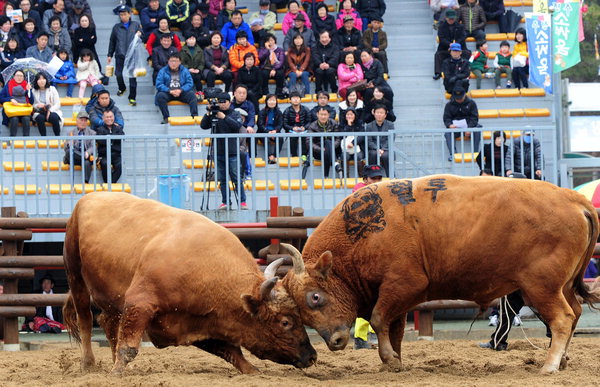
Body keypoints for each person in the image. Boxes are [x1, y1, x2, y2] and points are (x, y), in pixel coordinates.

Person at [199, 92, 248, 210]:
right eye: (219, 102)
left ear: (229, 102)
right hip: (218, 151)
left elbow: (237, 126)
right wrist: (208, 113)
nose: (222, 104)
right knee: (223, 179)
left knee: (236, 178)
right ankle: (226, 202)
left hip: (233, 151)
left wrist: (224, 117)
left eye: (224, 102)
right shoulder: (214, 114)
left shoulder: (235, 113)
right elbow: (203, 125)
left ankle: (242, 202)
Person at [107, 4, 142, 106]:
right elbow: (112, 41)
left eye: (125, 14)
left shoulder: (135, 25)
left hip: (132, 55)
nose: (123, 16)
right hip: (120, 54)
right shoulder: (116, 27)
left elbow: (143, 36)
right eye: (121, 15)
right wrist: (110, 54)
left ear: (130, 14)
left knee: (132, 77)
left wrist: (141, 34)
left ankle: (132, 97)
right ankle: (122, 88)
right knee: (118, 74)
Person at [155, 53, 198, 124]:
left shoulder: (185, 70)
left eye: (176, 61)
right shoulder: (162, 71)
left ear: (180, 62)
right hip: (168, 93)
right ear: (168, 62)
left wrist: (181, 90)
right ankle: (166, 117)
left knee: (192, 95)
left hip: (181, 92)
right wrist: (169, 91)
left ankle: (195, 116)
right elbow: (159, 84)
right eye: (171, 61)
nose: (173, 63)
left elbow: (190, 83)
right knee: (160, 96)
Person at [443, 86, 480, 161]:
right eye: (457, 98)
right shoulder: (449, 105)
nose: (459, 100)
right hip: (455, 128)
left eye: (460, 98)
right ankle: (453, 154)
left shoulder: (471, 103)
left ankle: (475, 153)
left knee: (477, 131)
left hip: (469, 126)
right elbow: (446, 118)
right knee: (447, 133)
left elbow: (474, 118)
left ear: (464, 95)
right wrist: (450, 125)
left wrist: (469, 128)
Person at [307, 106, 341, 178]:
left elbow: (338, 139)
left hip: (333, 150)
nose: (323, 117)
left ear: (328, 115)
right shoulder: (312, 126)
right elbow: (309, 142)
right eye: (321, 114)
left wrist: (330, 147)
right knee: (327, 144)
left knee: (328, 142)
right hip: (318, 152)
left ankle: (326, 175)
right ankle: (335, 163)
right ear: (317, 115)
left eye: (325, 115)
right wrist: (320, 149)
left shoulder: (334, 123)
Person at [433, 9, 467, 80]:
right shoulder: (441, 26)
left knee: (467, 53)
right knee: (438, 55)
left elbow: (463, 36)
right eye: (450, 19)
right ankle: (438, 72)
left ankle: (465, 71)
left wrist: (456, 44)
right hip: (446, 48)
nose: (451, 20)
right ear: (446, 18)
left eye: (452, 19)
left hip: (459, 47)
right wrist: (449, 44)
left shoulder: (460, 26)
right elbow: (441, 38)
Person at [63, 109, 95, 183]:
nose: (83, 122)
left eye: (85, 121)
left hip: (86, 157)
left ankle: (86, 182)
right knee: (69, 151)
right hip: (74, 157)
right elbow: (65, 147)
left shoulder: (92, 133)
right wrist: (70, 143)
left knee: (87, 163)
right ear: (77, 121)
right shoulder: (71, 132)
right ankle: (83, 156)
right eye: (81, 120)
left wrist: (87, 152)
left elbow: (93, 146)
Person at [0, 70, 34, 136]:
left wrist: (29, 91)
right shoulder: (8, 85)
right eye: (17, 75)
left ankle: (26, 140)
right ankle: (12, 139)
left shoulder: (27, 86)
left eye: (21, 76)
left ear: (24, 77)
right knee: (14, 119)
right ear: (14, 77)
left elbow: (31, 102)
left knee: (26, 119)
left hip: (24, 110)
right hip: (12, 111)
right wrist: (10, 99)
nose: (19, 77)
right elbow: (1, 97)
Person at [95, 110, 124, 184]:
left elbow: (122, 137)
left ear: (114, 117)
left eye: (111, 117)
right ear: (103, 118)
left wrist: (108, 139)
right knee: (105, 164)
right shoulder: (99, 129)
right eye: (107, 117)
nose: (109, 119)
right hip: (104, 155)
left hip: (116, 155)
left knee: (120, 164)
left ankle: (110, 184)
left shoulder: (118, 128)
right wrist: (113, 140)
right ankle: (109, 183)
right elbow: (100, 141)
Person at [31, 72, 62, 136]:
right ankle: (44, 138)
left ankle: (58, 137)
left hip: (52, 110)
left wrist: (50, 110)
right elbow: (32, 104)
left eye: (43, 79)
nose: (41, 81)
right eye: (39, 79)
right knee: (39, 118)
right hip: (40, 111)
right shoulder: (33, 90)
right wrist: (37, 105)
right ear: (36, 81)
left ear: (46, 80)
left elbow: (57, 104)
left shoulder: (52, 89)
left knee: (54, 117)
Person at [364, 104, 392, 175]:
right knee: (373, 154)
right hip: (374, 149)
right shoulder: (369, 126)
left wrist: (383, 149)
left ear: (385, 115)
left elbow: (390, 139)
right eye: (377, 112)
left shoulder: (390, 125)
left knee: (386, 155)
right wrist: (377, 149)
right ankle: (372, 175)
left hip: (386, 149)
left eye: (381, 113)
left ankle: (391, 176)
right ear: (374, 113)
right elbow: (369, 141)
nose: (379, 114)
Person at [257, 94, 284, 164]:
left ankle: (274, 156)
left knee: (280, 138)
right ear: (266, 102)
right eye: (270, 100)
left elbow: (280, 124)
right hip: (263, 132)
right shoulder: (262, 112)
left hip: (275, 132)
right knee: (266, 139)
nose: (272, 102)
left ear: (276, 102)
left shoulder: (279, 112)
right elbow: (260, 125)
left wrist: (275, 131)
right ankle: (270, 157)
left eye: (273, 100)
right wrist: (267, 132)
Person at [282, 90, 310, 157]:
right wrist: (292, 128)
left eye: (297, 98)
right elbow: (285, 124)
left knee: (305, 137)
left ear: (300, 100)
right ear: (290, 100)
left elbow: (309, 121)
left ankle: (304, 156)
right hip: (292, 130)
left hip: (304, 129)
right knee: (293, 137)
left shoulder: (306, 109)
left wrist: (304, 127)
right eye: (294, 98)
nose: (296, 100)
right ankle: (294, 156)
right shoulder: (287, 111)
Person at [257, 33, 285, 98]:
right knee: (263, 73)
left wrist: (274, 69)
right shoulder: (262, 49)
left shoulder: (280, 50)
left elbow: (281, 62)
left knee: (280, 74)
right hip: (266, 68)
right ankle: (265, 93)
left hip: (276, 68)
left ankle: (278, 93)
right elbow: (260, 58)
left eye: (272, 40)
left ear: (275, 41)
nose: (270, 42)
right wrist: (267, 49)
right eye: (268, 41)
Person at [180, 31, 204, 99]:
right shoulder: (182, 50)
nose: (191, 41)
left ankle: (200, 94)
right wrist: (188, 69)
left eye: (193, 39)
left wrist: (199, 69)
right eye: (189, 39)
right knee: (191, 77)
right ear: (186, 40)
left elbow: (202, 63)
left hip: (197, 71)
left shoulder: (200, 50)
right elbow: (182, 62)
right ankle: (189, 95)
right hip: (186, 71)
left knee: (198, 77)